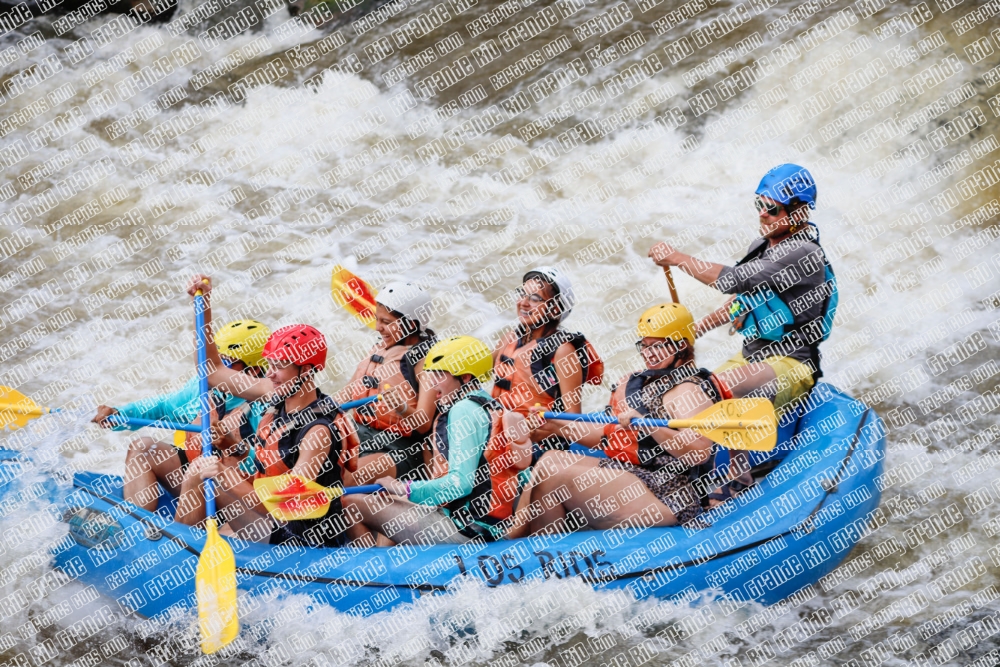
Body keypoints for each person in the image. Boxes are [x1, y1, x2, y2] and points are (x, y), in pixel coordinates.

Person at [522, 303, 743, 534]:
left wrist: (648, 425)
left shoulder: (687, 391)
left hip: (671, 494)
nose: (649, 353)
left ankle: (546, 556)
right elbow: (606, 437)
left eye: (657, 346)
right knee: (549, 459)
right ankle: (521, 537)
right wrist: (555, 425)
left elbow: (699, 452)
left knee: (554, 478)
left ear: (680, 346)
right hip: (638, 474)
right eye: (645, 346)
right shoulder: (647, 383)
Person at [174, 275, 359, 547]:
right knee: (201, 471)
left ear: (307, 370)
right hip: (273, 523)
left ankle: (175, 556)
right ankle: (180, 550)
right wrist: (203, 305)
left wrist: (225, 475)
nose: (270, 373)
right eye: (270, 363)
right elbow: (212, 370)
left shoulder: (318, 431)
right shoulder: (274, 392)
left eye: (280, 365)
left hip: (301, 540)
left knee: (201, 476)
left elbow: (289, 504)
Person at [649, 164, 837, 412]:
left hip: (791, 365)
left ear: (799, 212)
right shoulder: (761, 246)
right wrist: (693, 331)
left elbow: (731, 280)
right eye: (759, 205)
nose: (762, 214)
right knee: (681, 392)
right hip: (750, 358)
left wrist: (676, 258)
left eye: (772, 208)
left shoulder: (802, 252)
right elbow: (742, 302)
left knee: (704, 392)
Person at [342, 336, 533, 546]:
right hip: (490, 525)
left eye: (440, 374)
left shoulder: (463, 410)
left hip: (467, 531)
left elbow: (461, 485)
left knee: (351, 503)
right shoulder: (488, 404)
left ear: (466, 377)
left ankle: (373, 573)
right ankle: (392, 565)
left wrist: (404, 488)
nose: (432, 383)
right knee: (393, 504)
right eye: (431, 374)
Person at [92, 319, 271, 512]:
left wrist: (235, 449)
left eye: (224, 361)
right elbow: (163, 407)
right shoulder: (203, 386)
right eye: (215, 358)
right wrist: (119, 414)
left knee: (202, 475)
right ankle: (138, 525)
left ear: (254, 369)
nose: (215, 367)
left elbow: (273, 471)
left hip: (241, 495)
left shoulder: (268, 408)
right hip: (197, 478)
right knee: (142, 448)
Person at [491, 267, 604, 452]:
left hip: (537, 447)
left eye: (535, 298)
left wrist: (537, 430)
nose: (524, 303)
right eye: (522, 294)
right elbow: (472, 376)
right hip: (496, 436)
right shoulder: (509, 338)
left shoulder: (563, 351)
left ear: (555, 309)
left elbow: (572, 421)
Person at [337, 282, 437, 486]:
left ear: (410, 325)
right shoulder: (380, 349)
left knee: (341, 480)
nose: (377, 327)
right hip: (360, 437)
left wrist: (402, 408)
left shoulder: (424, 361)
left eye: (386, 321)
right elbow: (346, 394)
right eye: (376, 319)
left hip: (399, 450)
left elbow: (424, 422)